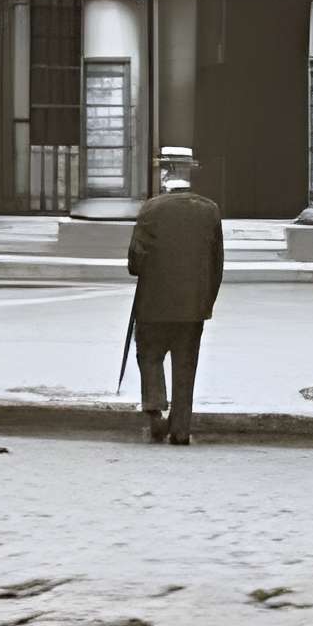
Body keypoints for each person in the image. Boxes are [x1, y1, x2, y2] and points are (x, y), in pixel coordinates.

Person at [127, 146, 224, 446]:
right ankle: (181, 430)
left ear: (165, 176)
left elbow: (134, 263)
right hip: (193, 308)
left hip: (154, 306)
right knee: (186, 367)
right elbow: (217, 264)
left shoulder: (151, 209)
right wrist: (205, 302)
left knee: (150, 355)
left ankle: (155, 410)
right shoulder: (210, 210)